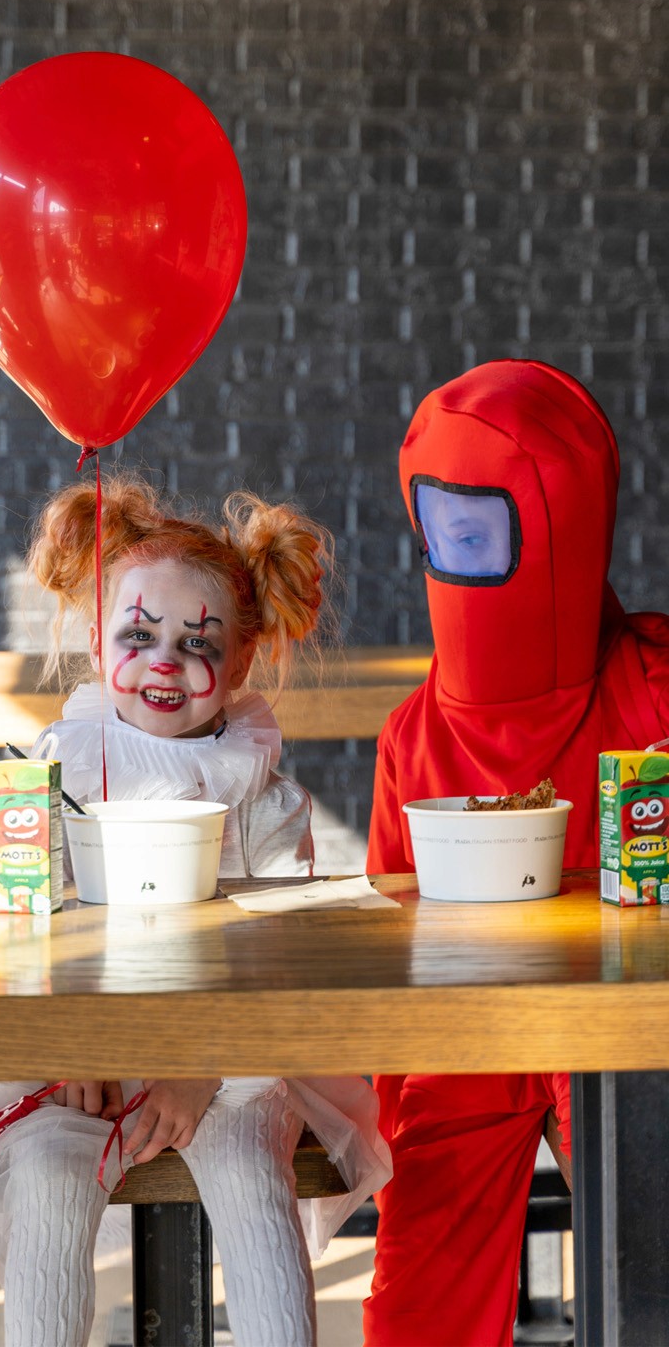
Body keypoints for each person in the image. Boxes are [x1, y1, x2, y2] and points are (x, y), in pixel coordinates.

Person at [0, 474, 391, 1347]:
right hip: (80, 1055)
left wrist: (203, 1070)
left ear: (243, 662)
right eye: (138, 635)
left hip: (234, 1060)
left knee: (251, 1181)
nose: (164, 662)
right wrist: (74, 1043)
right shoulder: (54, 770)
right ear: (95, 638)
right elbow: (24, 927)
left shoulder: (261, 796)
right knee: (49, 1176)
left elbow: (282, 959)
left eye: (198, 643)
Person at [362, 359, 669, 1347]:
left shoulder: (652, 690)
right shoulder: (415, 736)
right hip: (464, 1034)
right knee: (420, 1305)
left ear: (559, 530)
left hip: (620, 1035)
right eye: (442, 534)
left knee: (648, 1260)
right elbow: (389, 937)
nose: (454, 557)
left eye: (478, 534)